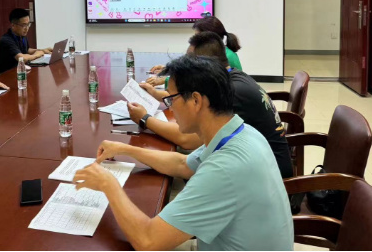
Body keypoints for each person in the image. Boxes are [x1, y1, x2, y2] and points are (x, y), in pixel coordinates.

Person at [73, 56, 293, 251]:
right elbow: (182, 164)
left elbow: (148, 241)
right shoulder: (241, 132)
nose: (169, 107)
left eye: (171, 99)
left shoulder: (224, 169)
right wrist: (125, 149)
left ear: (196, 101)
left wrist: (109, 185)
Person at [130, 32, 293, 179]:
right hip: (254, 163)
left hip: (269, 175)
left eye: (190, 63)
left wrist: (145, 119)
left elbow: (186, 140)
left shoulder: (231, 92)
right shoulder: (231, 78)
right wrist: (158, 94)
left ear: (205, 65)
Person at [147, 16, 242, 83]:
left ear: (209, 37)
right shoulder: (220, 51)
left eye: (198, 36)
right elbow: (190, 69)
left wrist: (165, 79)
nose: (195, 39)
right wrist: (168, 69)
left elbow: (196, 79)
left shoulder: (221, 56)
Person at [0, 8, 53, 73]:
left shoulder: (21, 35)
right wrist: (36, 55)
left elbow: (26, 50)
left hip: (21, 71)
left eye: (28, 24)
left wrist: (42, 50)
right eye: (24, 25)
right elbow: (22, 58)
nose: (27, 28)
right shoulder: (6, 40)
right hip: (8, 75)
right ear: (13, 25)